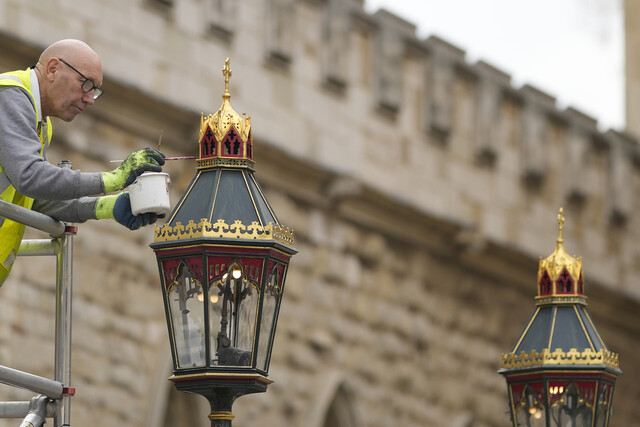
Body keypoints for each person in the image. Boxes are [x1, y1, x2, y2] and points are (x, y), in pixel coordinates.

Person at [0, 39, 165, 286]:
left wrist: (107, 207)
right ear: (53, 69)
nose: (90, 99)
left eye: (95, 90)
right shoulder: (10, 95)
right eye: (85, 84)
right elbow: (29, 177)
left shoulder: (40, 123)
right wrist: (113, 179)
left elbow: (37, 198)